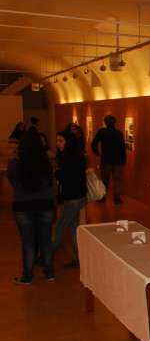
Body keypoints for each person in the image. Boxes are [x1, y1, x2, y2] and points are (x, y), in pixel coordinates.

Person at [8, 130, 55, 284]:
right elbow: (51, 183)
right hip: (45, 204)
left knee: (28, 242)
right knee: (46, 240)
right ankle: (49, 273)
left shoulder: (14, 164)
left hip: (23, 205)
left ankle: (27, 276)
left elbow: (13, 183)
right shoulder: (46, 163)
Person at [53, 131, 87, 268]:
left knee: (60, 227)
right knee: (73, 229)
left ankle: (46, 255)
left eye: (61, 141)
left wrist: (57, 173)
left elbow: (66, 177)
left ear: (68, 142)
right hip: (77, 197)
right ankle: (79, 258)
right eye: (57, 140)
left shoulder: (70, 158)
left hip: (73, 199)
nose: (58, 143)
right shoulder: (75, 156)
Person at [91, 115, 126, 204]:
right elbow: (122, 147)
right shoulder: (119, 133)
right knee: (117, 180)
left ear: (105, 122)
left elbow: (94, 143)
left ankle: (103, 197)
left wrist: (97, 152)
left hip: (106, 159)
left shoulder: (102, 131)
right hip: (118, 160)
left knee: (104, 180)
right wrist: (123, 159)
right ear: (115, 122)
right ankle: (117, 198)